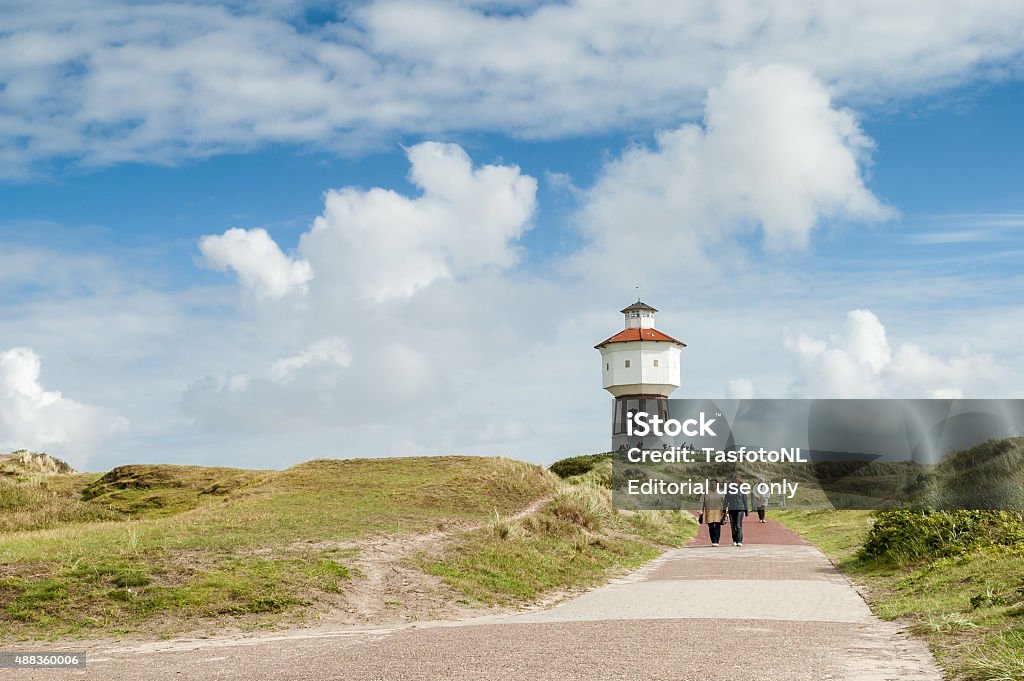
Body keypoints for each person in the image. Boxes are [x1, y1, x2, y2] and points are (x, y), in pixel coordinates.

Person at [698, 479, 726, 546]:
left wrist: (725, 511)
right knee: (711, 525)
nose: (712, 485)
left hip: (718, 512)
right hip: (709, 511)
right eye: (711, 484)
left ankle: (716, 540)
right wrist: (700, 511)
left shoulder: (721, 493)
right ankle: (713, 540)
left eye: (713, 484)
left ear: (717, 485)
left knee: (717, 525)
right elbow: (701, 502)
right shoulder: (705, 493)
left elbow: (725, 502)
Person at [723, 475, 749, 546]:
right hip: (731, 509)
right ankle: (734, 539)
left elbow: (745, 500)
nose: (736, 482)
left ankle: (739, 540)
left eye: (737, 481)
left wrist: (747, 510)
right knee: (733, 525)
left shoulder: (742, 489)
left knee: (738, 525)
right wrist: (724, 509)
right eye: (734, 481)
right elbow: (726, 500)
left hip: (740, 509)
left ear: (739, 482)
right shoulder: (729, 489)